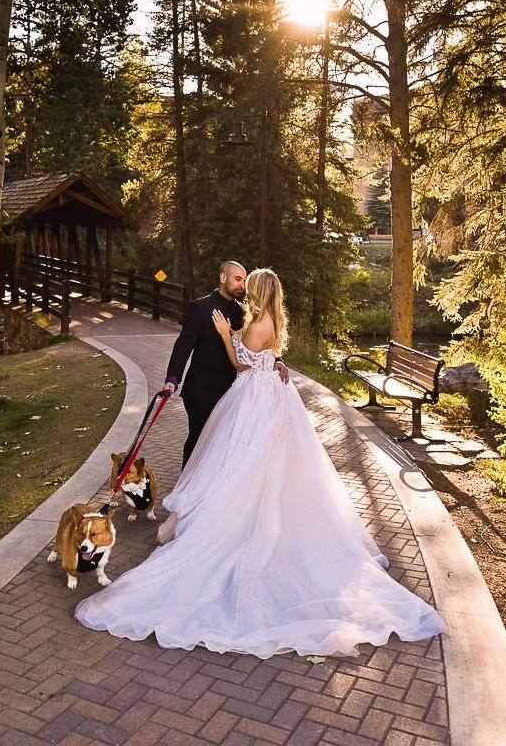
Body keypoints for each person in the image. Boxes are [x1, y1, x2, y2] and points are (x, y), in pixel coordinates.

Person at [75, 268, 445, 659]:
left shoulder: (254, 325)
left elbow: (241, 364)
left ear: (258, 292)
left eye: (249, 286)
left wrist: (224, 337)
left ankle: (237, 519)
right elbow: (264, 354)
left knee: (240, 463)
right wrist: (269, 359)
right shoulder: (270, 319)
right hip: (270, 396)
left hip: (255, 397)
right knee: (256, 463)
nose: (244, 290)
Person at [161, 260, 288, 469]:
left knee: (224, 447)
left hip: (234, 392)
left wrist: (277, 359)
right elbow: (184, 344)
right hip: (202, 391)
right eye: (237, 279)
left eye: (244, 280)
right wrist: (172, 378)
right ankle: (187, 485)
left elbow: (257, 346)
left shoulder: (244, 312)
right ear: (223, 278)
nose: (242, 285)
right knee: (198, 442)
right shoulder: (200, 308)